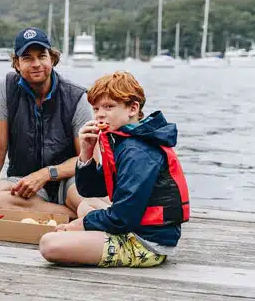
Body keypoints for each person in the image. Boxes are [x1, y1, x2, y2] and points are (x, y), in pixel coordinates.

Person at [39, 71, 190, 267]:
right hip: (135, 226)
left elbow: (122, 218)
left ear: (133, 108)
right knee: (86, 205)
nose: (100, 114)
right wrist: (86, 153)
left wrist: (79, 225)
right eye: (95, 108)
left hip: (146, 243)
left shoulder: (139, 151)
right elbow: (91, 191)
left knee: (49, 244)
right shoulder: (122, 140)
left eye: (109, 107)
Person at [0, 27, 93, 218]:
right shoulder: (6, 88)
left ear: (52, 59)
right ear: (17, 63)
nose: (36, 63)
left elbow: (86, 159)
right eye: (28, 57)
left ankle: (73, 211)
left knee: (80, 196)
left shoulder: (77, 97)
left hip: (67, 181)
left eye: (42, 56)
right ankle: (72, 215)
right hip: (24, 183)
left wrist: (46, 174)